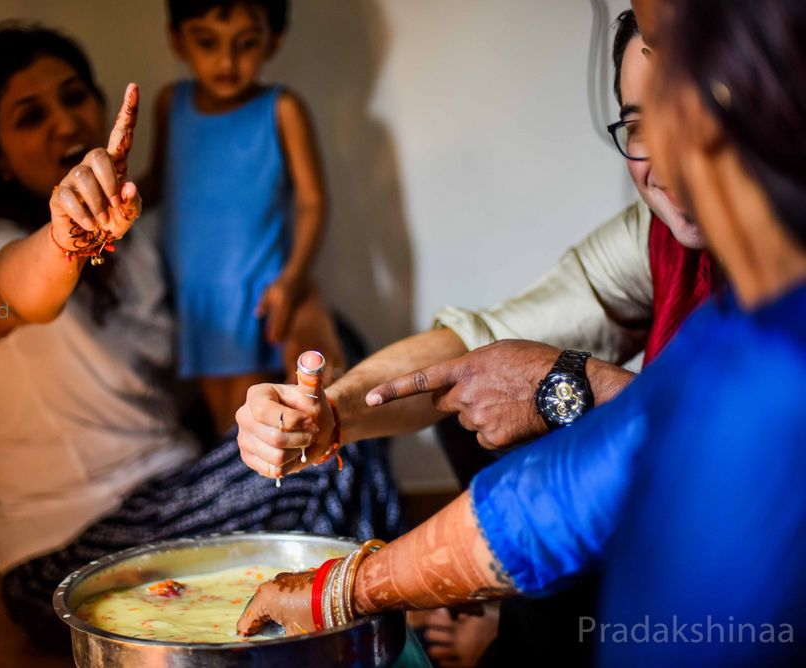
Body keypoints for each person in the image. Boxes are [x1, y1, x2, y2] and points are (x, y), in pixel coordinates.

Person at [238, 0, 806, 664]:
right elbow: (497, 388)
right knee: (476, 401)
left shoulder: (760, 360)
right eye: (635, 123)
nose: (663, 155)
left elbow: (589, 480)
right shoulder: (679, 263)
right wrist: (328, 417)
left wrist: (574, 385)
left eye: (678, 77)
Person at [0, 22, 401, 650]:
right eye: (30, 116)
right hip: (66, 555)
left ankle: (351, 616)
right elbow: (11, 294)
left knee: (341, 392)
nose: (65, 123)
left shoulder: (142, 238)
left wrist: (308, 314)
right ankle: (389, 623)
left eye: (74, 97)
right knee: (332, 446)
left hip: (181, 491)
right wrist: (67, 235)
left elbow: (236, 313)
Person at [136, 0, 331, 436]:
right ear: (177, 40)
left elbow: (311, 202)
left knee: (247, 417)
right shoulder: (172, 103)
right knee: (216, 416)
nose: (227, 61)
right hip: (192, 293)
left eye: (245, 44)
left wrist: (292, 278)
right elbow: (160, 181)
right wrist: (119, 198)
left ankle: (254, 498)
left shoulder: (281, 109)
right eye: (208, 43)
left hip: (255, 289)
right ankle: (233, 497)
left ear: (273, 41)